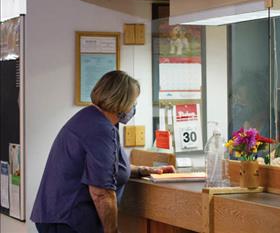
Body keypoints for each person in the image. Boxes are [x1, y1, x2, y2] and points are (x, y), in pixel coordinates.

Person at [31, 70, 175, 233]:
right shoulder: (100, 130)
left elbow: (108, 166)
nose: (134, 108)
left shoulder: (91, 119)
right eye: (133, 102)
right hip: (69, 220)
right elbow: (101, 192)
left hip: (57, 216)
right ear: (122, 101)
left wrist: (143, 170)